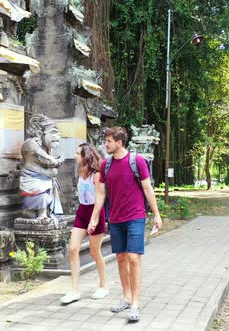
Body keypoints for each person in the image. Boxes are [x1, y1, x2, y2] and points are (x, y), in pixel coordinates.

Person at [88, 127, 162, 322]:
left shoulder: (137, 161)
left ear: (119, 142)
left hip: (135, 217)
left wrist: (157, 214)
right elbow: (101, 193)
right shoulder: (106, 165)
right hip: (116, 218)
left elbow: (147, 188)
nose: (106, 144)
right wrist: (95, 217)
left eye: (109, 141)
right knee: (120, 257)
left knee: (133, 258)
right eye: (106, 141)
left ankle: (135, 303)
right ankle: (126, 297)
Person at [59, 143, 109, 304]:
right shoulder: (79, 172)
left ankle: (103, 286)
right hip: (82, 212)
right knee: (73, 249)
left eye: (77, 153)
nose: (75, 156)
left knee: (95, 252)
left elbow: (101, 197)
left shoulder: (97, 175)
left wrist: (94, 219)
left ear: (85, 155)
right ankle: (74, 290)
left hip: (96, 212)